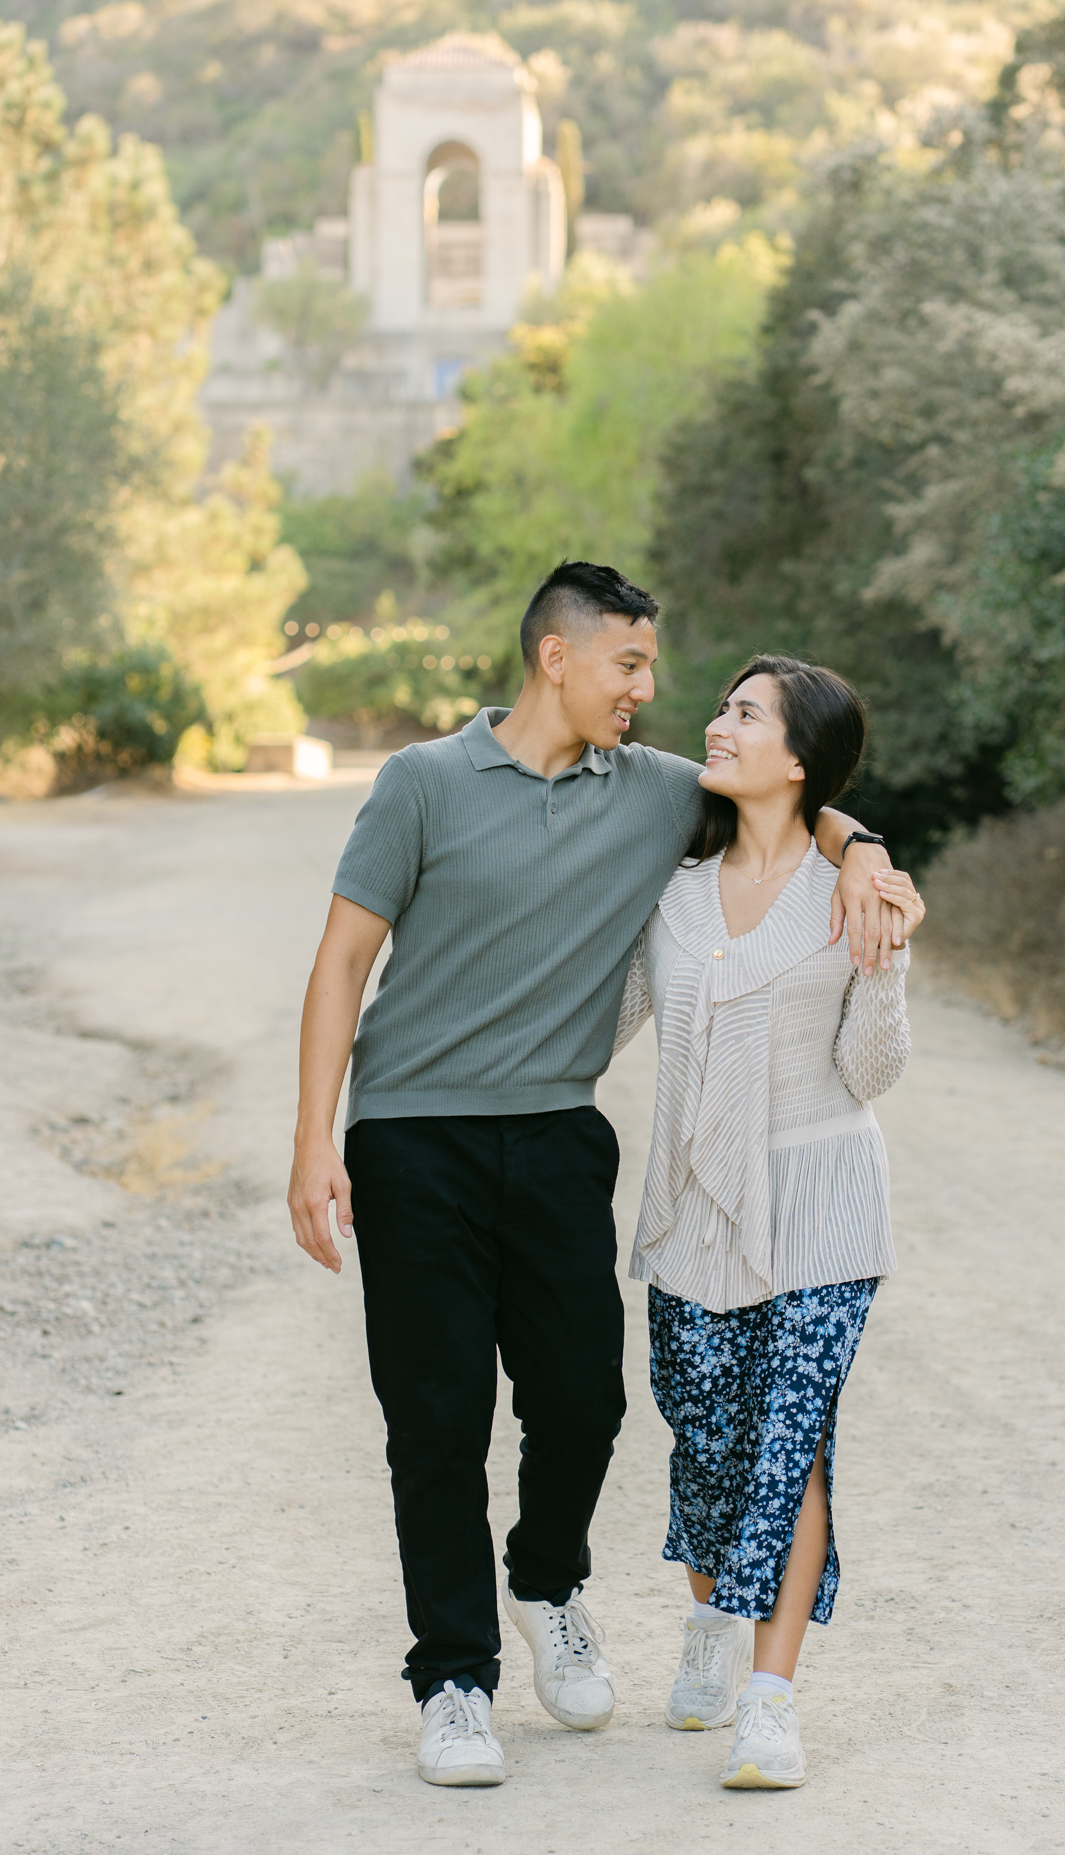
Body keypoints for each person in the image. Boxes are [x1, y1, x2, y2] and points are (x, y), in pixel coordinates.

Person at [286, 564, 899, 1789]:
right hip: (412, 1136)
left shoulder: (660, 792)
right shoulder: (420, 782)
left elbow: (799, 793)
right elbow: (342, 959)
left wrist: (863, 850)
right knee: (437, 1415)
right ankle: (455, 1679)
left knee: (584, 1401)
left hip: (559, 1137)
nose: (651, 692)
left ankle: (547, 1580)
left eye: (656, 671)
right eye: (629, 666)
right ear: (555, 659)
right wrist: (313, 1144)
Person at [612, 654, 924, 1790]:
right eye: (723, 707)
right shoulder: (672, 890)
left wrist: (882, 961)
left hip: (824, 1215)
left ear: (798, 758)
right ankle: (704, 1622)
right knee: (703, 1442)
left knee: (788, 1449)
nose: (717, 722)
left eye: (745, 713)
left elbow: (867, 1067)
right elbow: (604, 1026)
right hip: (691, 1216)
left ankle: (770, 1699)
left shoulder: (843, 891)